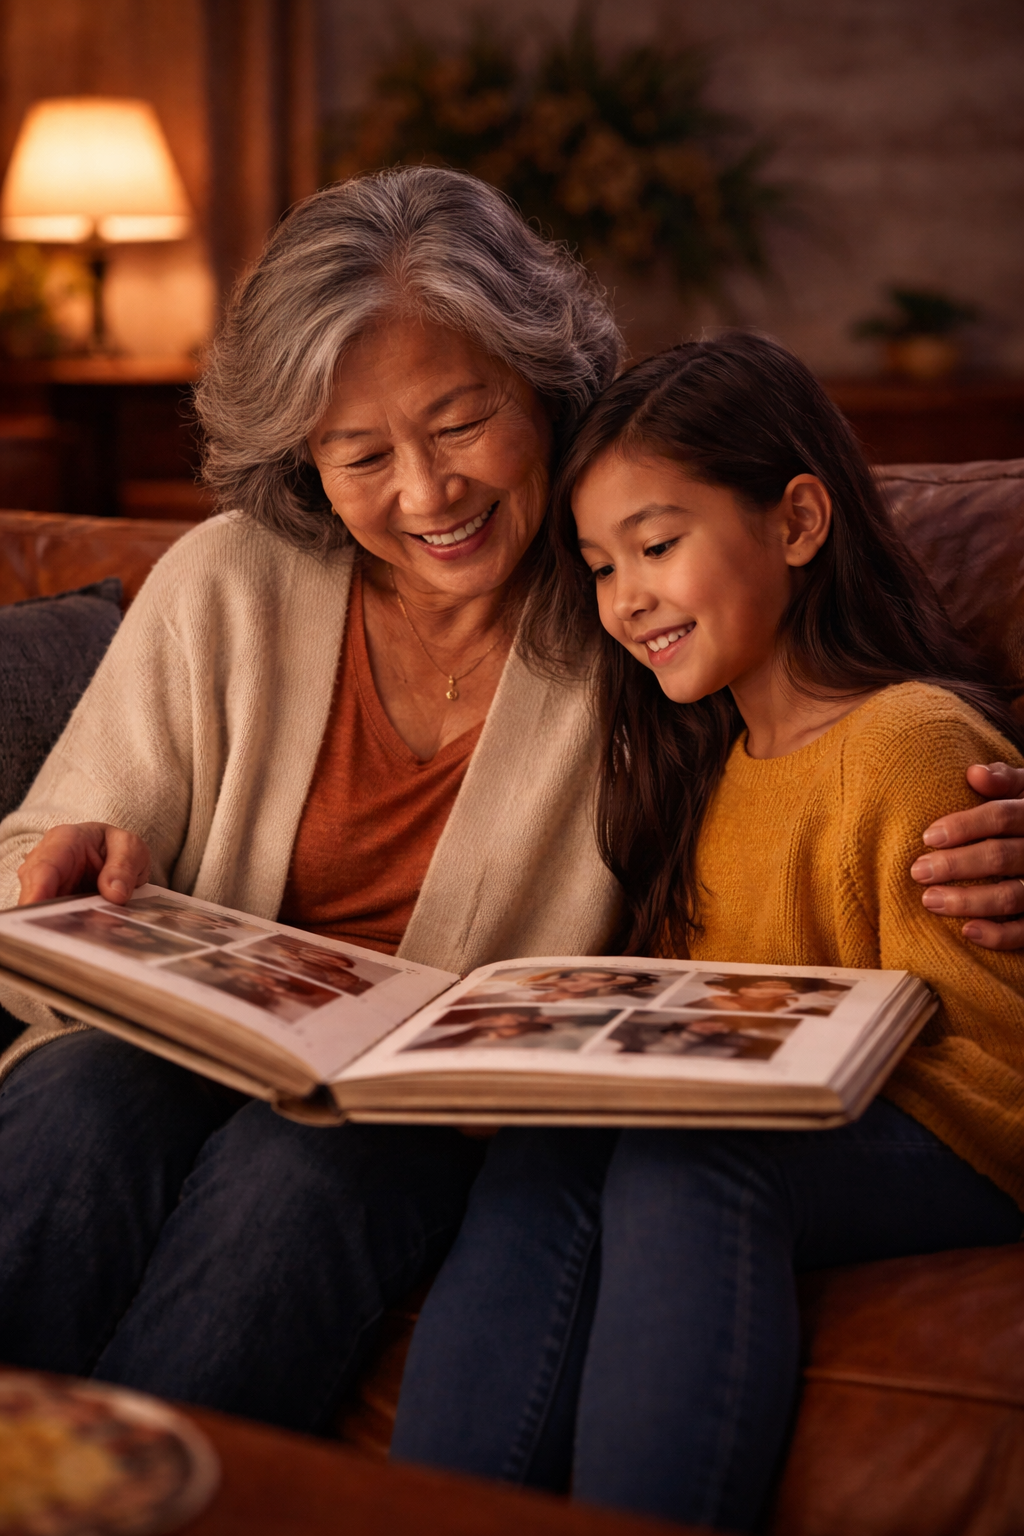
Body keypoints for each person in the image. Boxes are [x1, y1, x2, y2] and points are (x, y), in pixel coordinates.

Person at [0, 170, 1020, 1433]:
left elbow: (851, 683)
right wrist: (73, 865)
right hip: (193, 1055)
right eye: (362, 455)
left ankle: (155, 1498)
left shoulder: (638, 598)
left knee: (308, 1162)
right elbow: (40, 860)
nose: (427, 495)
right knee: (80, 1091)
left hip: (429, 1115)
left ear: (541, 386)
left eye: (461, 423)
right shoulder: (228, 582)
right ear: (305, 464)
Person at [389, 334, 1024, 1530]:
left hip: (968, 1132)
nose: (625, 597)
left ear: (794, 522)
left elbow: (1000, 1061)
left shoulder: (907, 743)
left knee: (695, 1153)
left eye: (658, 545)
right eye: (596, 565)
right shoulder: (703, 772)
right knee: (549, 1150)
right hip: (805, 1125)